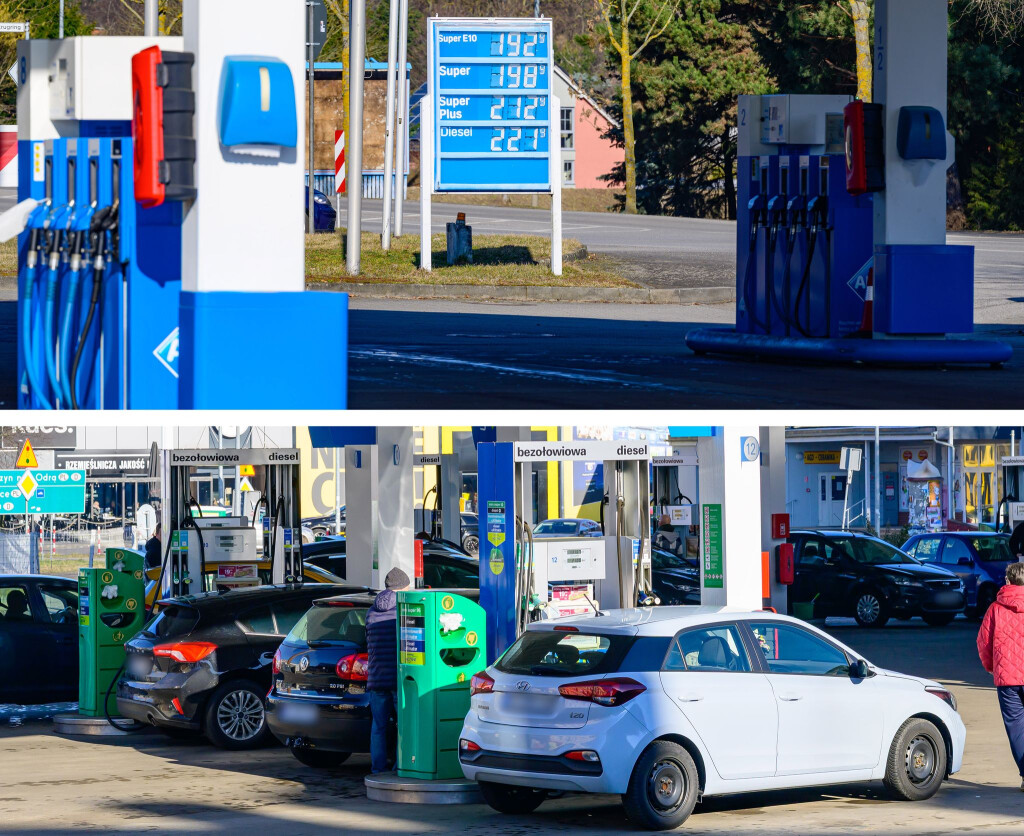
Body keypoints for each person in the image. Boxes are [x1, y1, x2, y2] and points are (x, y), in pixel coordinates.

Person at [977, 561, 1024, 791]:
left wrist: (992, 667)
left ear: (1007, 581)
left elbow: (983, 642)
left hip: (1008, 679)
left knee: (1016, 727)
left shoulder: (995, 609)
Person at [365, 566, 411, 774]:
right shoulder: (402, 611)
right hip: (398, 679)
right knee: (405, 726)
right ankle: (401, 766)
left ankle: (378, 769)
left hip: (376, 678)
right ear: (402, 588)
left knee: (378, 728)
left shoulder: (371, 611)